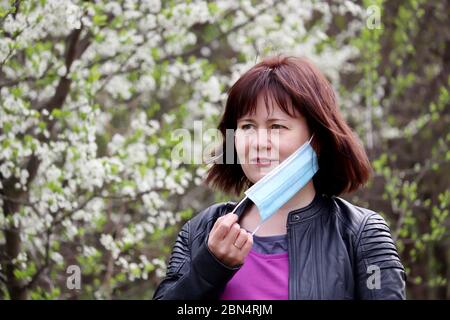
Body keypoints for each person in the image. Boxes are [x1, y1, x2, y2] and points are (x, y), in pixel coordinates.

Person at [153, 55, 406, 300]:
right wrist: (209, 267)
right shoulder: (200, 232)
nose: (259, 143)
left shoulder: (360, 234)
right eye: (247, 126)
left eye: (277, 127)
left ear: (316, 139)